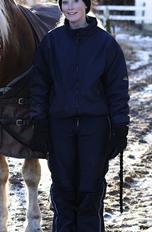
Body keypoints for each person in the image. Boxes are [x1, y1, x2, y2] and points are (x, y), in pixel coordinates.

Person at [29, 0, 130, 231]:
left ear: (86, 5)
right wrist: (39, 122)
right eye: (65, 2)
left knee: (90, 190)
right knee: (63, 189)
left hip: (94, 127)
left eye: (76, 1)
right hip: (59, 127)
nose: (70, 7)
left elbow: (117, 90)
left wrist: (120, 127)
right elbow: (39, 85)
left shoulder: (105, 44)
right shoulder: (51, 42)